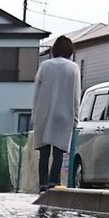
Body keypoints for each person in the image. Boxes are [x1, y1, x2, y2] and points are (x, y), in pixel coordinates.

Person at [28, 35, 81, 192]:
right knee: (59, 152)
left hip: (43, 112)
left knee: (44, 154)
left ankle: (43, 185)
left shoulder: (45, 66)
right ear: (70, 51)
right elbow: (76, 95)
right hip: (64, 114)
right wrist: (76, 117)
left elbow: (36, 91)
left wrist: (34, 114)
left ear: (54, 50)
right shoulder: (74, 68)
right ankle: (53, 183)